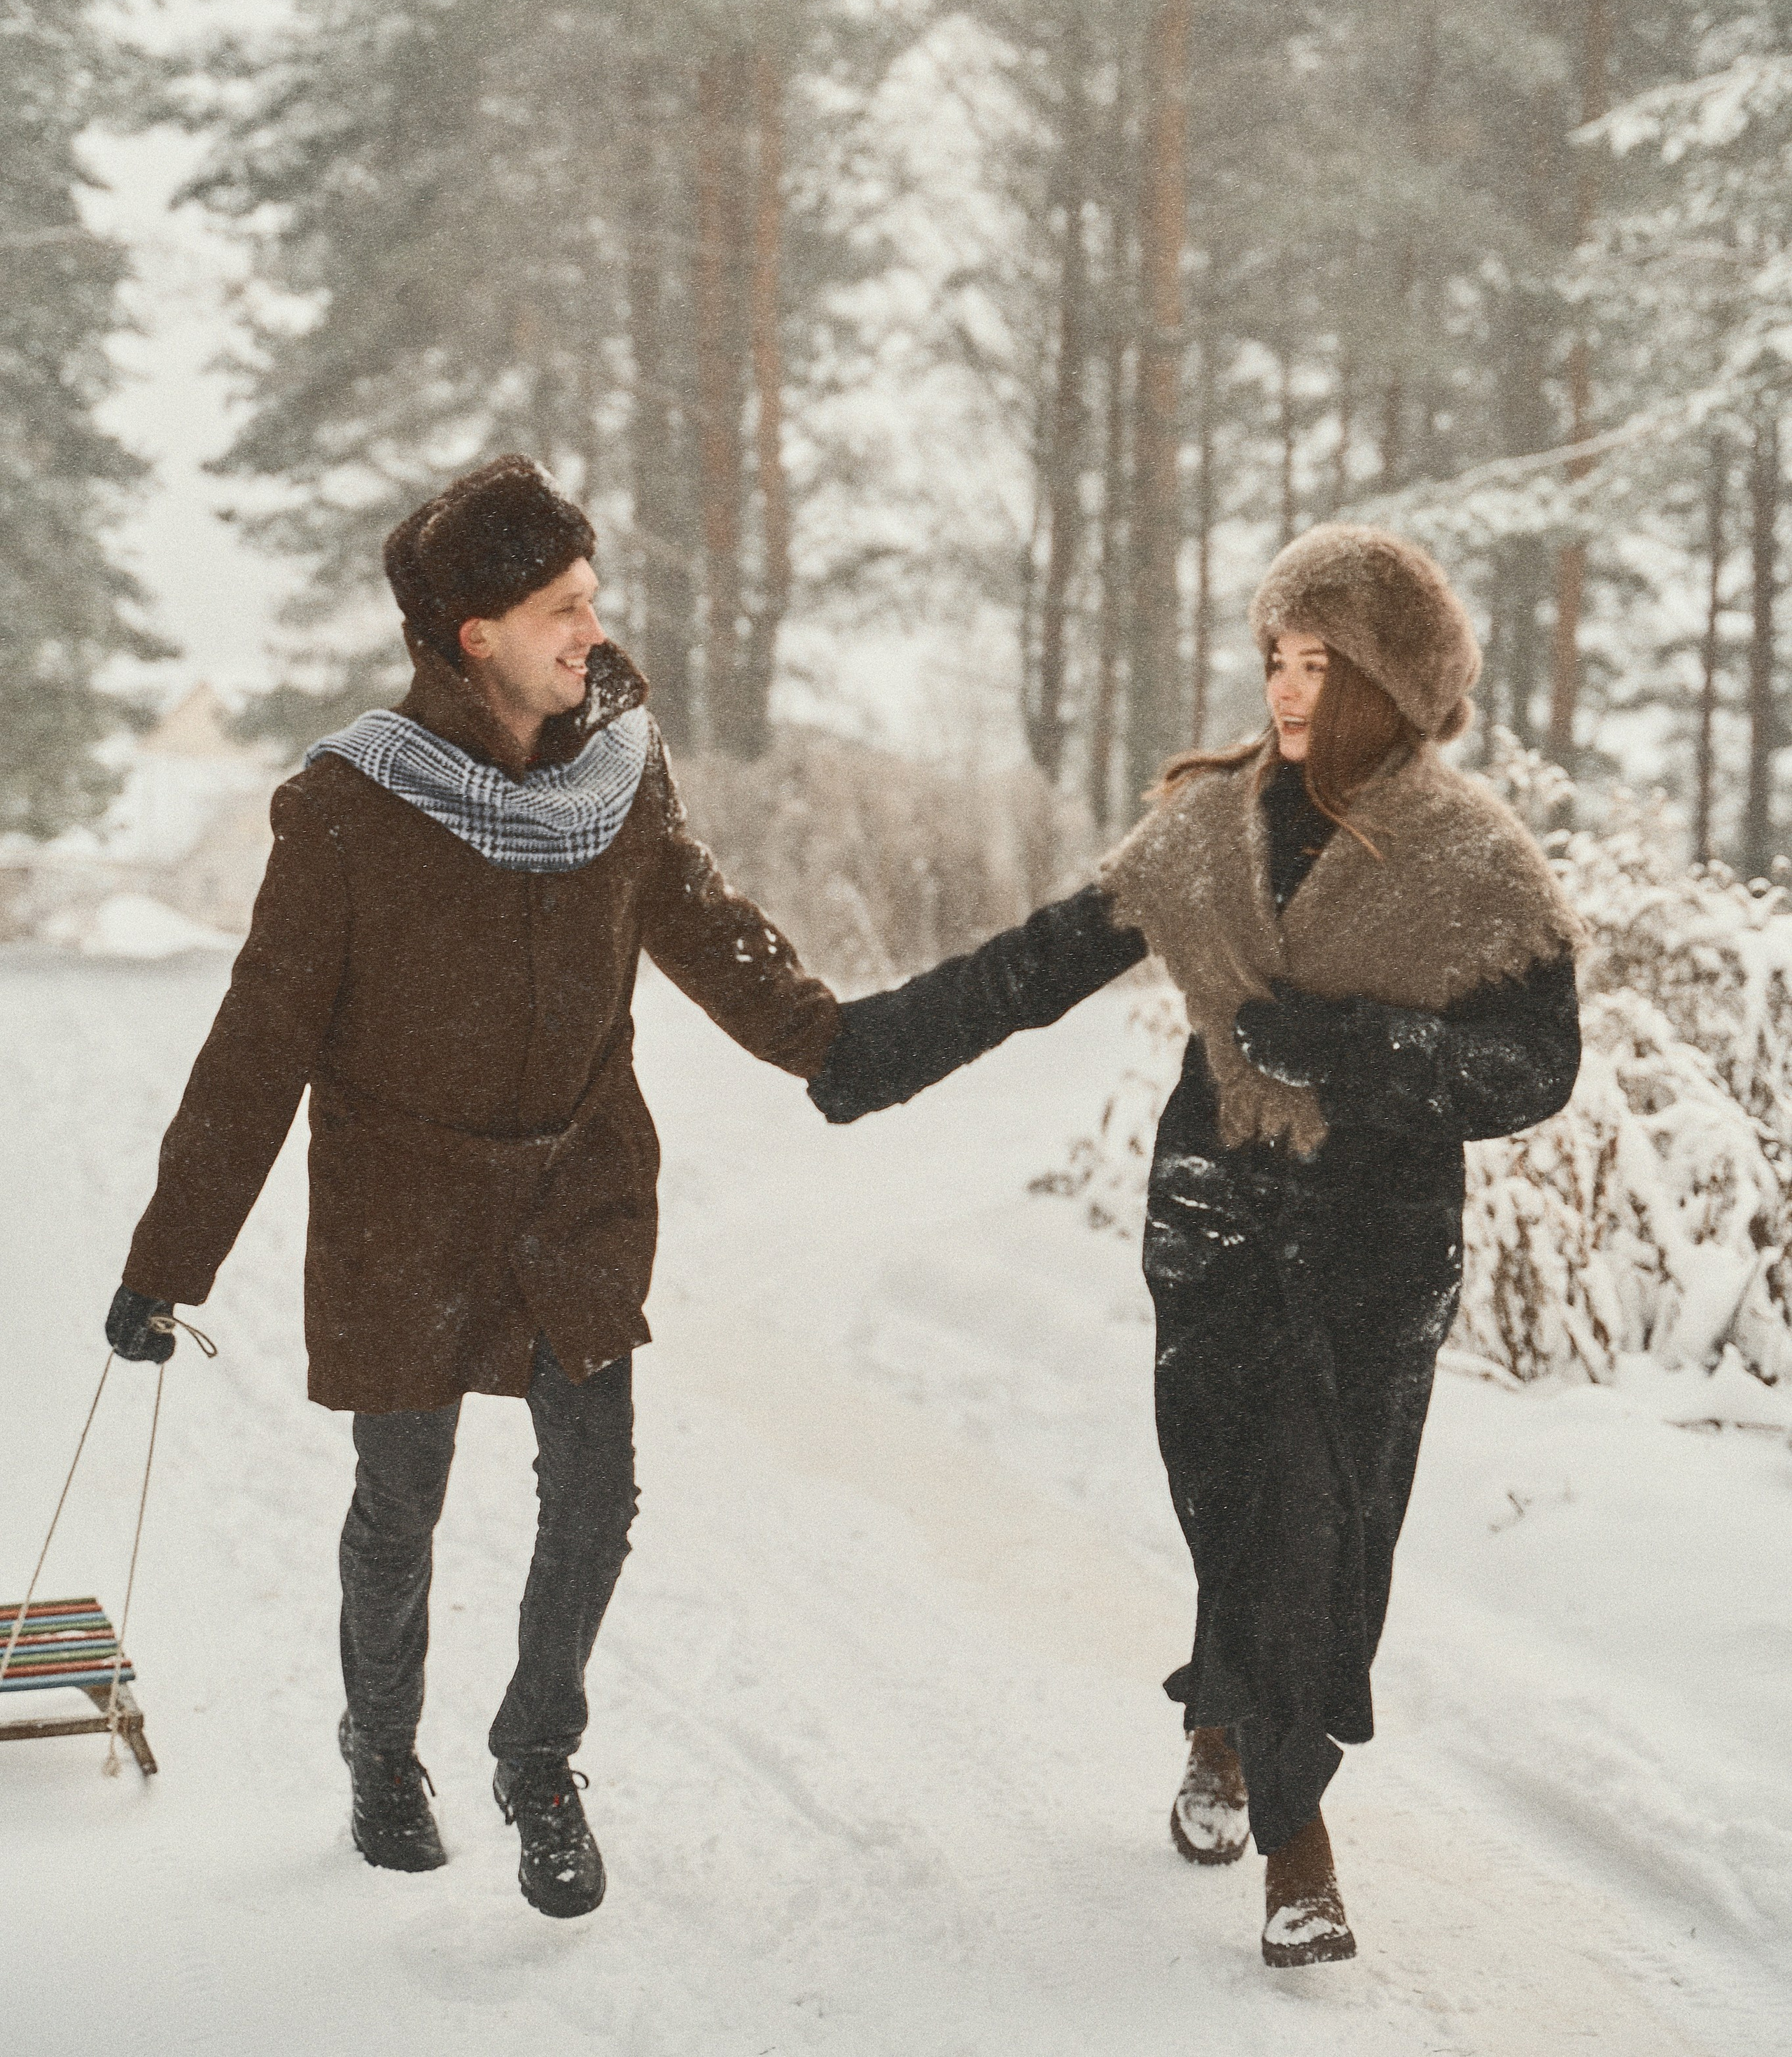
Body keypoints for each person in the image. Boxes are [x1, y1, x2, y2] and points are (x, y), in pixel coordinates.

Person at [807, 523, 1581, 1969]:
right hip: (1214, 1224)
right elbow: (1040, 961)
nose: (1285, 692)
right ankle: (1257, 1786)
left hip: (1373, 1252)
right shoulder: (1207, 825)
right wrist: (864, 1050)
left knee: (1323, 1534)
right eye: (1274, 659)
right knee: (1239, 1506)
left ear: (1389, 681)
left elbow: (1534, 1066)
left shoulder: (1476, 858)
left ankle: (1259, 1782)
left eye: (1317, 663)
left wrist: (1354, 1050)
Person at [106, 456, 839, 1918]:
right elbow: (258, 1043)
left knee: (596, 1488)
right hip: (405, 1201)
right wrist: (166, 1262)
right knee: (402, 1494)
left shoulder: (617, 772)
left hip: (576, 1189)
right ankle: (383, 1752)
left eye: (589, 600)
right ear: (471, 635)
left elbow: (708, 929)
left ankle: (537, 1755)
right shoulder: (347, 804)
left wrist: (855, 1046)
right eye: (559, 606)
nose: (590, 630)